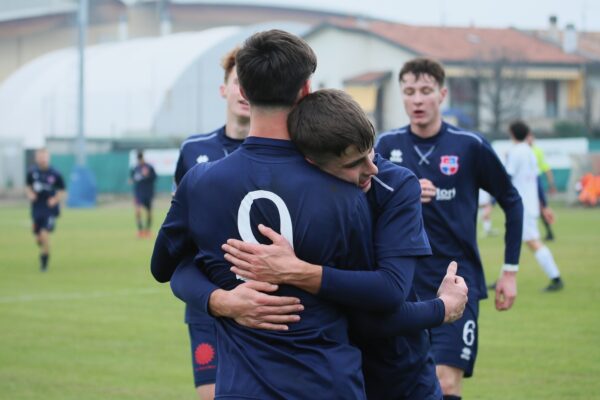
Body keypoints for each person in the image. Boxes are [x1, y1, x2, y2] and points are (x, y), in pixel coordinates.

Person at [172, 89, 469, 399]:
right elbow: (179, 266)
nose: (372, 167)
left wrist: (297, 271)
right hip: (321, 379)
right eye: (354, 162)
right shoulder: (284, 193)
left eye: (371, 151)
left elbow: (388, 294)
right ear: (312, 162)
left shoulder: (393, 184)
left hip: (398, 375)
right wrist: (220, 300)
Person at [152, 30, 381, 399]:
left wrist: (218, 299)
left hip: (242, 387)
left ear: (242, 90)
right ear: (305, 90)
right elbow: (374, 297)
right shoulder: (344, 189)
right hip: (329, 383)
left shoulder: (200, 182)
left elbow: (166, 268)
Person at [375, 57, 524, 400]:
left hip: (457, 281)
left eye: (425, 91)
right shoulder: (385, 147)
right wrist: (405, 192)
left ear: (442, 95)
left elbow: (511, 200)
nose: (417, 100)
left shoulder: (469, 145)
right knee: (405, 382)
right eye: (409, 91)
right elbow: (365, 206)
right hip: (403, 285)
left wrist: (510, 271)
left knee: (445, 382)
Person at [173, 47, 250, 400]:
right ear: (224, 90)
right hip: (208, 299)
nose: (245, 91)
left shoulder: (285, 151)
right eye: (238, 82)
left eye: (252, 83)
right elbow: (178, 229)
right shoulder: (194, 150)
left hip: (262, 300)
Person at [508, 121, 564, 292]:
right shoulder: (531, 152)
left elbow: (506, 179)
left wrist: (492, 202)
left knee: (533, 242)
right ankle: (506, 276)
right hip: (530, 205)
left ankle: (556, 278)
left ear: (512, 133)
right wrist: (544, 205)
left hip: (521, 206)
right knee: (513, 240)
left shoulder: (516, 152)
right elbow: (538, 181)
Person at [26, 148, 66, 272]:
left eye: (44, 156)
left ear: (48, 157)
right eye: (40, 156)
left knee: (45, 234)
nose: (42, 158)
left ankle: (44, 263)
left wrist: (55, 200)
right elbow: (28, 186)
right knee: (39, 238)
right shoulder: (32, 172)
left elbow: (62, 190)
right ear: (37, 158)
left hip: (49, 209)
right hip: (37, 208)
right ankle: (42, 244)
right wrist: (30, 194)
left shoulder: (55, 173)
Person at [527, 133, 557, 241]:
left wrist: (551, 184)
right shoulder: (521, 151)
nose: (530, 139)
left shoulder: (537, 151)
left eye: (531, 137)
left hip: (536, 181)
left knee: (542, 207)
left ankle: (549, 232)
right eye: (528, 137)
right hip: (525, 183)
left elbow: (545, 167)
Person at [129, 150, 156, 238]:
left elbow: (154, 177)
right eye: (138, 158)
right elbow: (132, 178)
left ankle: (147, 230)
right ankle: (140, 230)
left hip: (148, 192)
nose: (140, 160)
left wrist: (146, 176)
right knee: (138, 211)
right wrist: (132, 180)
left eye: (141, 158)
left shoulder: (149, 167)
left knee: (149, 212)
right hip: (138, 193)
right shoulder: (135, 168)